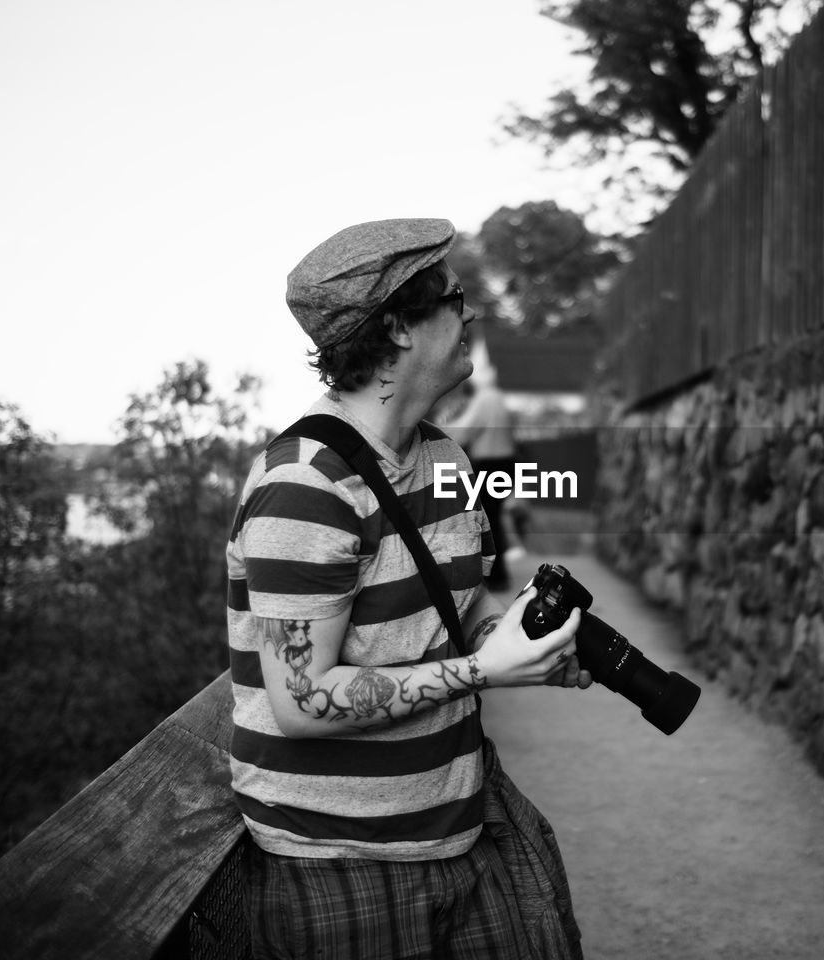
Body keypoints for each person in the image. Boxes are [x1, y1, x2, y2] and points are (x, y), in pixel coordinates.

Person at [226, 219, 590, 959]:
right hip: (339, 862)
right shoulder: (305, 484)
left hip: (464, 827)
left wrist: (527, 643)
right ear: (397, 327)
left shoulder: (447, 458)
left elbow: (466, 615)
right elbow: (301, 702)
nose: (471, 316)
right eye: (456, 300)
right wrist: (486, 672)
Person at [446, 363, 519, 589]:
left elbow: (464, 431)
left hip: (490, 465)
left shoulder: (484, 400)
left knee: (487, 520)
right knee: (494, 518)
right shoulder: (498, 399)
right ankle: (498, 574)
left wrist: (438, 429)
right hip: (505, 463)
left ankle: (495, 576)